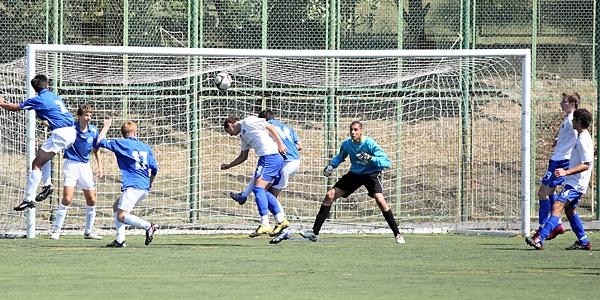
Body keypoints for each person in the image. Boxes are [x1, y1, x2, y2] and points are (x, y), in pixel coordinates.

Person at [295, 121, 405, 244]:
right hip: (355, 174)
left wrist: (370, 158)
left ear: (361, 130)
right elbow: (341, 156)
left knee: (380, 200)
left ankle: (397, 234)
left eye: (356, 130)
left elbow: (387, 162)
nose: (353, 132)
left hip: (371, 174)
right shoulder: (347, 144)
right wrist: (332, 165)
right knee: (329, 195)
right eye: (351, 130)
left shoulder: (370, 143)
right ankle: (314, 233)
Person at [0, 74, 76, 211]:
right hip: (72, 131)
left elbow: (13, 108)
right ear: (47, 84)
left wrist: (1, 103)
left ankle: (29, 199)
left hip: (61, 134)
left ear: (34, 88)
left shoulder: (37, 99)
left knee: (36, 163)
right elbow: (48, 117)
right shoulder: (55, 96)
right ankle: (47, 185)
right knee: (43, 154)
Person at [527, 108, 593, 250]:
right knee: (569, 211)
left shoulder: (584, 140)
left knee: (557, 206)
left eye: (574, 120)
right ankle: (583, 241)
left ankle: (540, 238)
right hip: (573, 182)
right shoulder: (580, 137)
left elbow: (586, 165)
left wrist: (566, 172)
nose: (572, 122)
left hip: (576, 183)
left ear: (579, 121)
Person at [229, 109, 302, 236]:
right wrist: (229, 165)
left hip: (272, 157)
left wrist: (280, 144)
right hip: (270, 158)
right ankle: (281, 220)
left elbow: (269, 126)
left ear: (230, 124)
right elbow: (243, 156)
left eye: (228, 131)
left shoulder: (248, 121)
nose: (229, 135)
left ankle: (266, 223)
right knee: (264, 191)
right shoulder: (243, 135)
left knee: (258, 189)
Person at [97, 118, 159, 248]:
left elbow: (100, 142)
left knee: (121, 215)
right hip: (143, 187)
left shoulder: (122, 143)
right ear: (136, 132)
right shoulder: (145, 147)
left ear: (123, 133)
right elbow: (155, 168)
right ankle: (120, 240)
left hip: (133, 186)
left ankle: (148, 226)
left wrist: (106, 126)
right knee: (116, 207)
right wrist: (150, 183)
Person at [50, 104, 104, 240]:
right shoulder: (70, 129)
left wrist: (100, 166)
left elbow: (96, 149)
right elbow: (53, 125)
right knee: (67, 198)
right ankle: (56, 230)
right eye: (86, 115)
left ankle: (88, 231)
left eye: (90, 115)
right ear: (79, 116)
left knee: (91, 199)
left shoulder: (93, 131)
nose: (88, 118)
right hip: (70, 165)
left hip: (85, 167)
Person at [533, 92, 580, 241]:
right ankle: (558, 225)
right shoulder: (568, 118)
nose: (561, 103)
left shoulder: (573, 118)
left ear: (573, 104)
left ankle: (542, 228)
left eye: (565, 101)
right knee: (551, 192)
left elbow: (579, 136)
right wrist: (560, 140)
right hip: (557, 160)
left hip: (560, 161)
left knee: (542, 193)